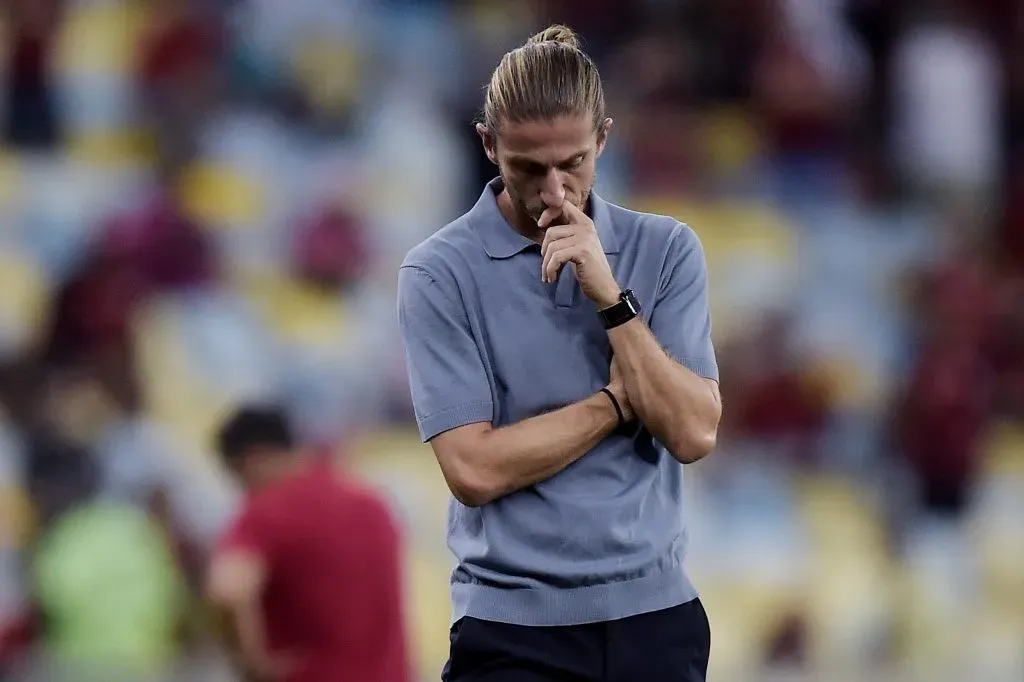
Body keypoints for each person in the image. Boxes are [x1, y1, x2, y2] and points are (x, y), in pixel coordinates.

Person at [397, 24, 722, 682]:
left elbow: (692, 430)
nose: (554, 190)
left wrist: (610, 296)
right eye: (527, 167)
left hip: (654, 621)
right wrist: (613, 405)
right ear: (488, 144)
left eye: (573, 163)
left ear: (603, 137)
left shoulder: (666, 249)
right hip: (513, 631)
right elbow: (475, 470)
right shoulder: (439, 273)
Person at [206, 406, 410, 682]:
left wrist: (251, 666)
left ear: (253, 459)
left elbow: (228, 592)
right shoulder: (373, 505)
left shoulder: (267, 512)